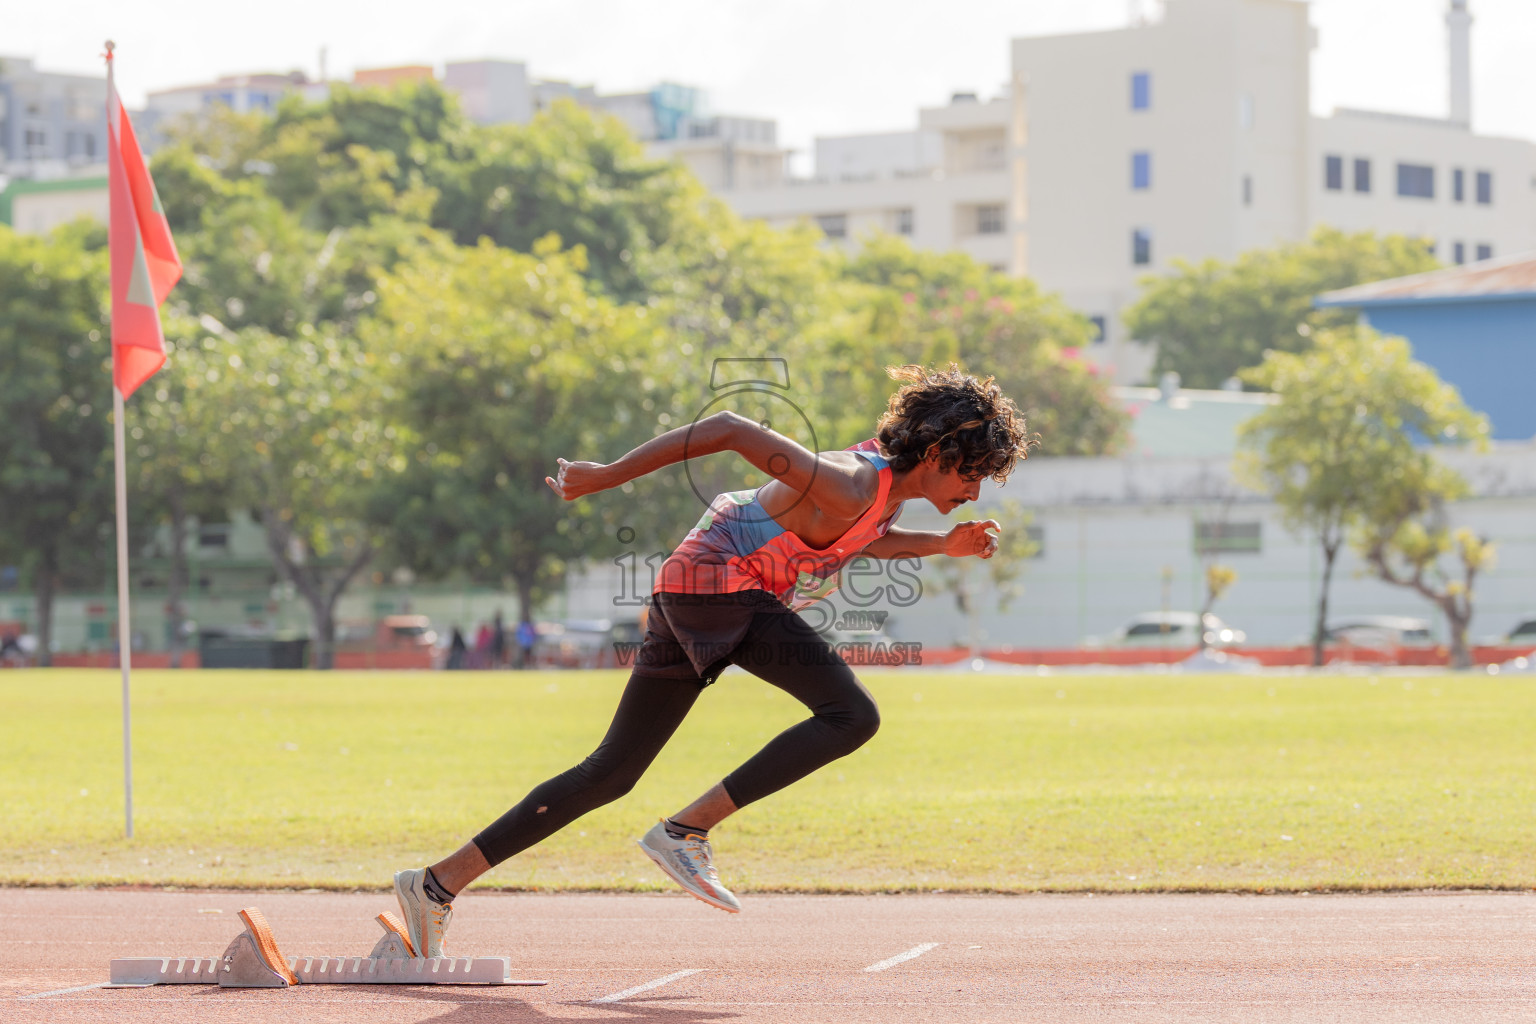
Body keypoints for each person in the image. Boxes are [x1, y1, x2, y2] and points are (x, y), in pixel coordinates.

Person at [392, 364, 1035, 957]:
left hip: (697, 588)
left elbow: (864, 535)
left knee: (611, 771)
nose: (975, 494)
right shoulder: (855, 479)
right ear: (937, 454)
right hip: (719, 587)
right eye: (972, 475)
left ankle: (434, 887)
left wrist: (941, 546)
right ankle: (685, 831)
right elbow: (729, 429)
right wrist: (603, 475)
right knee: (850, 715)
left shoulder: (882, 491)